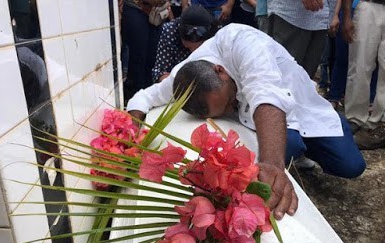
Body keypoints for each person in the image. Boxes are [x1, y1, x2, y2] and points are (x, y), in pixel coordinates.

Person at [127, 24, 366, 220]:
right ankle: (297, 153)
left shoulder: (241, 42)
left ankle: (319, 139)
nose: (234, 106)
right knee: (290, 145)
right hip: (277, 126)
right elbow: (144, 96)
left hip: (304, 110)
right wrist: (130, 134)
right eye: (227, 110)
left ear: (220, 70)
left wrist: (272, 165)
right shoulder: (183, 78)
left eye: (231, 100)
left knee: (351, 166)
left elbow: (266, 97)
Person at [342, 0, 385, 149]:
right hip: (368, 5)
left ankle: (379, 122)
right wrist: (347, 17)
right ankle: (355, 118)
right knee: (360, 65)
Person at [264, 0, 338, 78]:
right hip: (290, 16)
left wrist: (333, 14)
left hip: (322, 19)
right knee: (283, 78)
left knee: (305, 81)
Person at [152, 5, 217, 83]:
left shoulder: (215, 36)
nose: (193, 51)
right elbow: (159, 72)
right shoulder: (170, 31)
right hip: (177, 82)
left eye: (197, 48)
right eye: (188, 47)